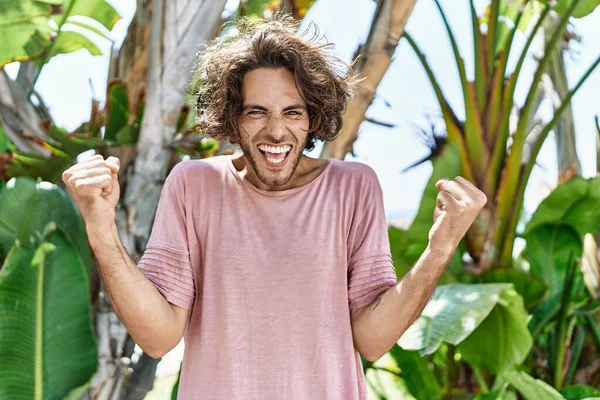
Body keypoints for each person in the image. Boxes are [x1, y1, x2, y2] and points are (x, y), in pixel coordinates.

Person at [62, 15, 486, 400]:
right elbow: (158, 338)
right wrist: (101, 228)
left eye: (293, 112)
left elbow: (373, 340)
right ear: (232, 116)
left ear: (313, 117)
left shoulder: (353, 188)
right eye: (256, 112)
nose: (277, 130)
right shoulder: (194, 185)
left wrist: (441, 246)